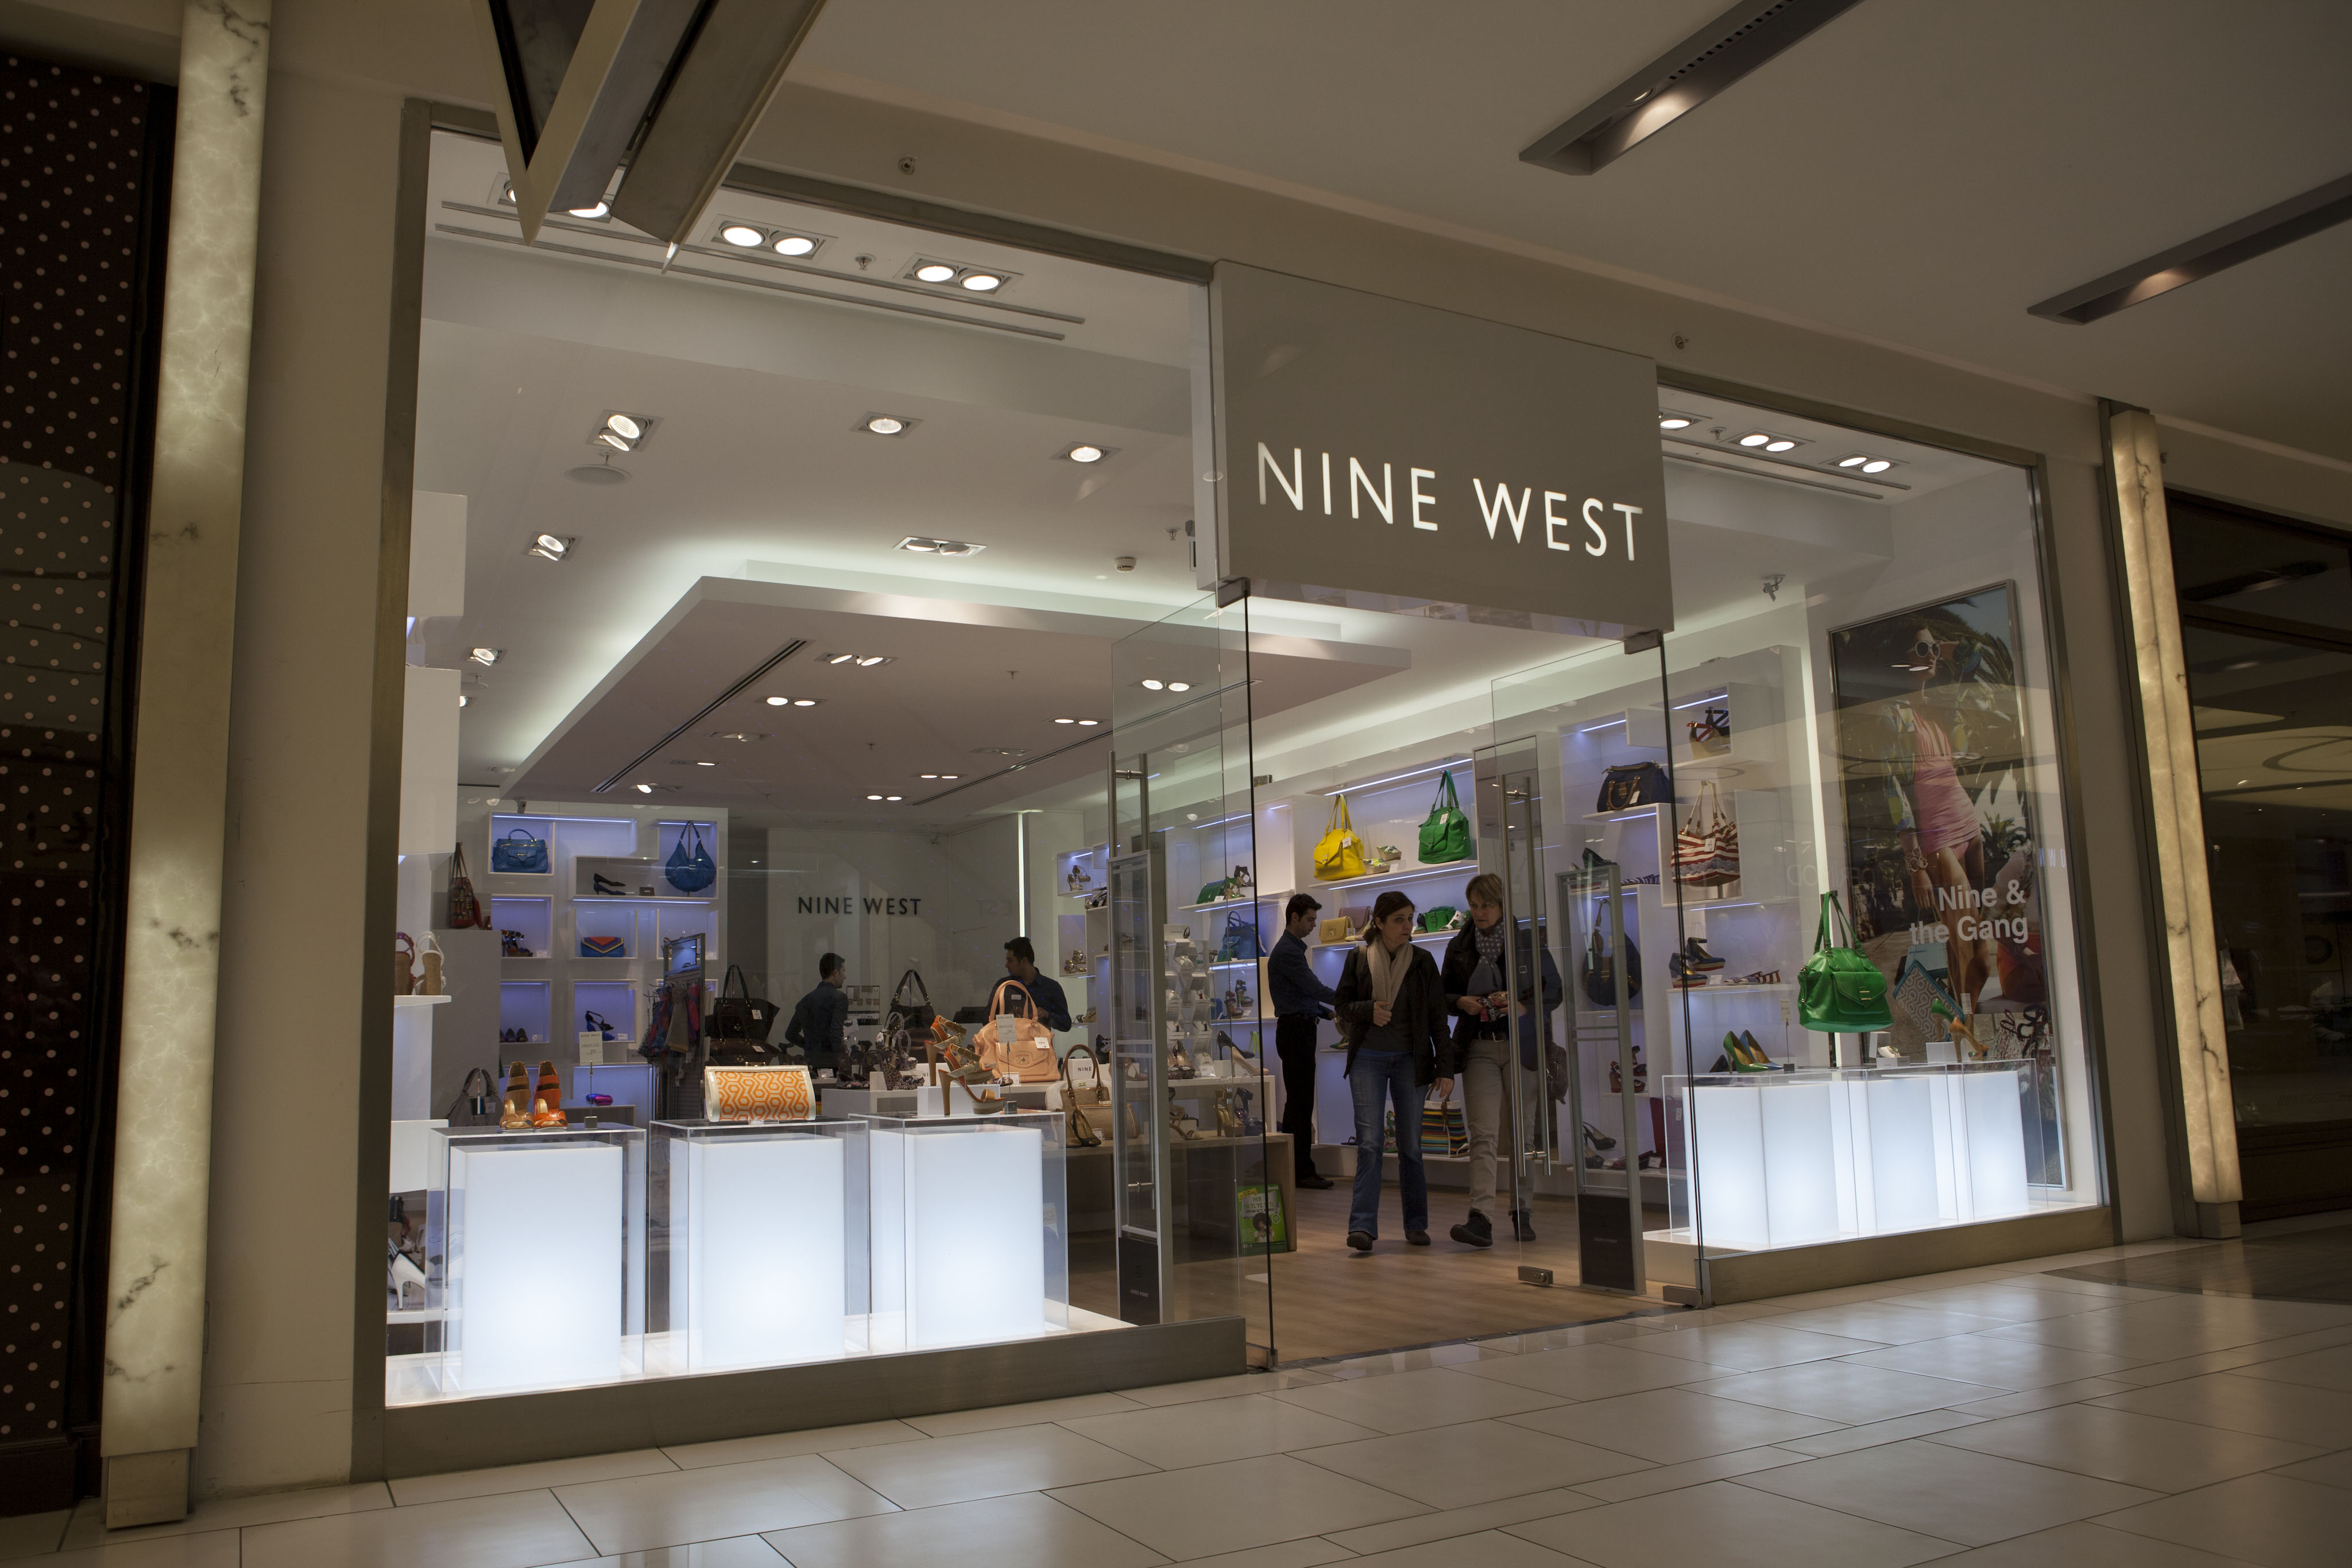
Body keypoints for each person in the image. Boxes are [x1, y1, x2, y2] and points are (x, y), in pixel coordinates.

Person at [1440, 874, 1562, 1247]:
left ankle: (1522, 1211)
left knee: (1523, 1132)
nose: (1480, 913)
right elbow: (1443, 995)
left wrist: (1523, 1005)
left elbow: (1555, 990)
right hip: (1478, 1046)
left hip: (1520, 1045)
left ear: (1501, 905)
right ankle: (1480, 1217)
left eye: (1487, 905)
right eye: (1474, 906)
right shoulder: (1459, 945)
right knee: (1483, 1134)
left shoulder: (1525, 941)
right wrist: (1461, 1002)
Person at [1332, 890, 1454, 1252]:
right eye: (1399, 919)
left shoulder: (1422, 961)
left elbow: (1438, 1018)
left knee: (1411, 1145)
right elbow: (1342, 1005)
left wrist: (1445, 1067)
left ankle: (1416, 1224)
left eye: (1410, 918)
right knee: (1370, 1144)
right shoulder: (1359, 957)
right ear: (1380, 922)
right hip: (1367, 1058)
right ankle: (1362, 1227)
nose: (1407, 926)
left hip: (1410, 1060)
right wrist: (1369, 1009)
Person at [1268, 892, 1337, 1190]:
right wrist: (1349, 1002)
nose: (1313, 925)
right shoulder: (1289, 952)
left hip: (1296, 1029)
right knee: (1300, 1102)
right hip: (1297, 1031)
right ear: (1294, 917)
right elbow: (1313, 988)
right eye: (1310, 919)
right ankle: (1302, 1171)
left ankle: (1296, 1168)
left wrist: (1327, 1012)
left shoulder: (1290, 949)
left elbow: (1302, 996)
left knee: (1298, 1102)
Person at [783, 952, 848, 1064]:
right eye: (843, 971)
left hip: (811, 1060)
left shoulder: (806, 1001)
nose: (845, 976)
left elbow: (790, 1034)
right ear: (835, 973)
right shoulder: (839, 998)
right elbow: (836, 1033)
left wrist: (810, 1046)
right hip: (831, 1060)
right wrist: (840, 1057)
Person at [1001, 935, 1073, 1031]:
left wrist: (1047, 1015)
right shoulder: (1004, 986)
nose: (1007, 965)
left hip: (1040, 1040)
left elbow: (1066, 1024)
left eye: (1010, 961)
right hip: (1009, 1040)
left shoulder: (1051, 987)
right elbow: (989, 1016)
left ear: (1024, 961)